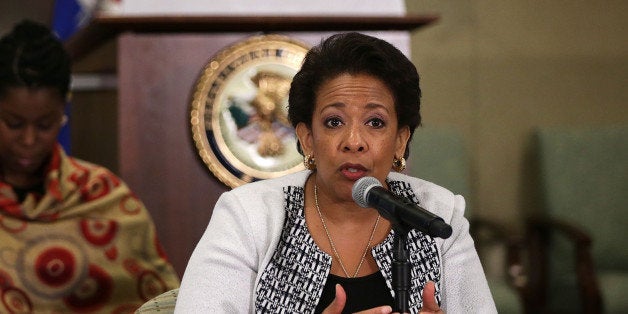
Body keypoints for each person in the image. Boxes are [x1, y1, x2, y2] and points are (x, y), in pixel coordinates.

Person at [175, 32, 496, 313]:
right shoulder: (247, 215)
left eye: (375, 122)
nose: (354, 142)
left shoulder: (437, 214)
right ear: (307, 138)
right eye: (334, 122)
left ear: (401, 140)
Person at [0, 20, 179, 313]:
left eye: (45, 125)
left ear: (63, 111)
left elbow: (161, 304)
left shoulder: (102, 195)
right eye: (14, 124)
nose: (29, 139)